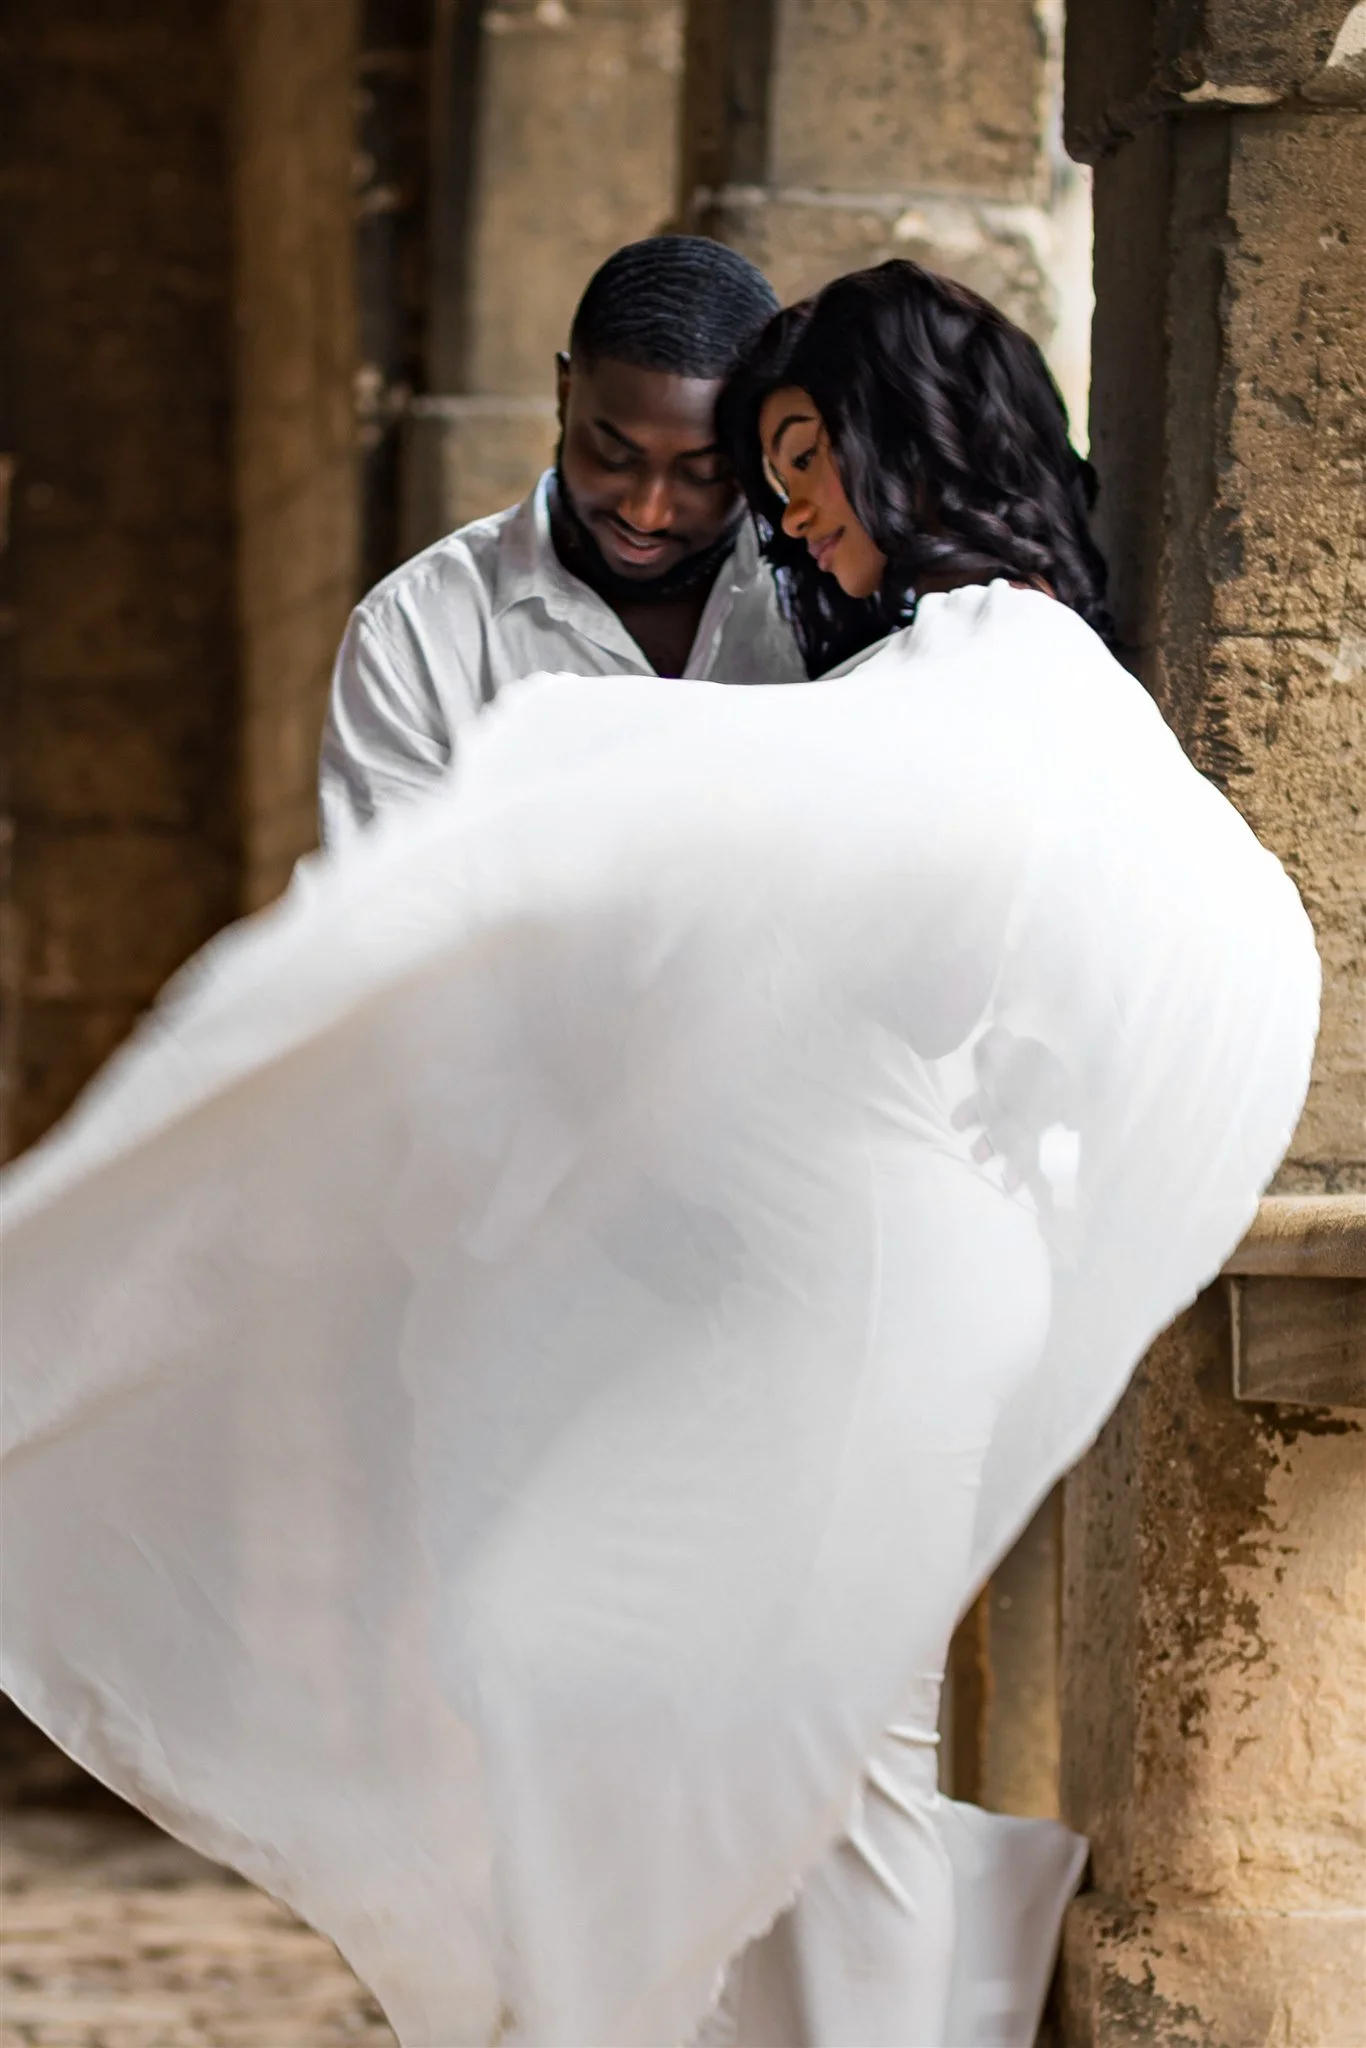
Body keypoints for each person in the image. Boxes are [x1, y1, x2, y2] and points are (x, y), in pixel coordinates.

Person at [0, 262, 1318, 2048]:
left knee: (818, 1748)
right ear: (557, 398)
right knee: (586, 1680)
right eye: (650, 457)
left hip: (836, 1273)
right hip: (619, 1265)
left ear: (893, 443)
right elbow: (453, 1000)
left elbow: (1011, 943)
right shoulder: (459, 626)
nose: (702, 505)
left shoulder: (945, 659)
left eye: (763, 466)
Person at [320, 235, 806, 846]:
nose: (647, 511)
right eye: (613, 454)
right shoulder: (416, 632)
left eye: (702, 473)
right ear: (564, 393)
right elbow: (393, 919)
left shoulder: (827, 596)